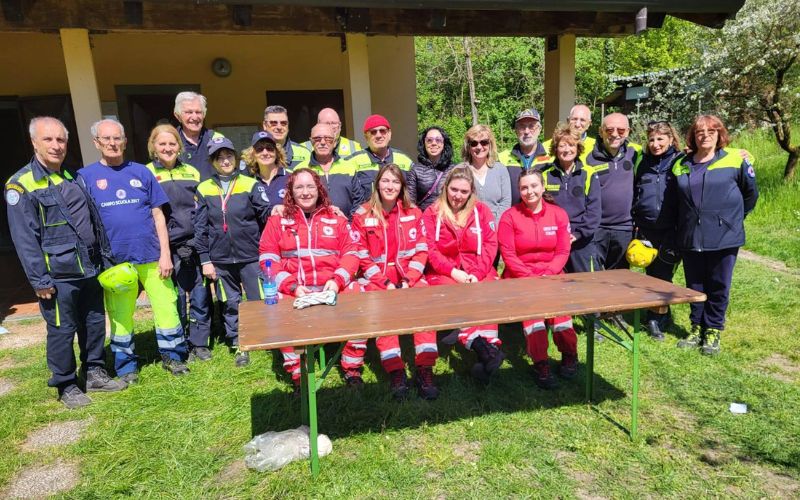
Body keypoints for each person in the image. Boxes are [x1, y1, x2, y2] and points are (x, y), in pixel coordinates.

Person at [5, 116, 125, 408]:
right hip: (58, 274)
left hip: (89, 266)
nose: (56, 146)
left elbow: (91, 220)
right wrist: (39, 279)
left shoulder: (72, 175)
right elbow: (24, 238)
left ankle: (95, 371)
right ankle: (66, 384)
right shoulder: (21, 185)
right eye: (48, 139)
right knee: (62, 329)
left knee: (94, 321)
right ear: (34, 142)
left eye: (61, 139)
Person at [79, 118, 189, 382]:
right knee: (120, 315)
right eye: (106, 139)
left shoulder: (142, 172)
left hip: (151, 255)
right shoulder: (85, 177)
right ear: (97, 143)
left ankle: (173, 357)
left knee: (166, 306)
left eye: (117, 138)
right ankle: (126, 366)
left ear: (125, 141)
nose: (113, 143)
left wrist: (165, 253)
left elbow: (158, 215)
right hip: (114, 262)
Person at [258, 168, 363, 391]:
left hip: (332, 287)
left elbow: (352, 253)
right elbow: (267, 257)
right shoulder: (278, 220)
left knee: (360, 296)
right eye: (299, 187)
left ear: (319, 189)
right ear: (291, 192)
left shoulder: (335, 217)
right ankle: (298, 374)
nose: (305, 192)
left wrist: (337, 281)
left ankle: (352, 368)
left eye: (310, 187)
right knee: (277, 303)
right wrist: (291, 286)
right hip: (296, 289)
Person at [668, 115, 758, 355]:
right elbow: (675, 201)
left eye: (711, 131)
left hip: (724, 236)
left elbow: (750, 195)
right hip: (690, 235)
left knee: (718, 284)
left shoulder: (735, 159)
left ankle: (713, 330)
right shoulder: (681, 163)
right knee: (694, 284)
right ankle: (696, 327)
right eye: (699, 131)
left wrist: (732, 219)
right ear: (693, 136)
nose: (705, 135)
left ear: (720, 134)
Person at [351, 164, 439, 400]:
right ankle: (396, 370)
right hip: (377, 280)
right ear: (377, 184)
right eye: (386, 181)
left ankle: (425, 368)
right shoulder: (362, 215)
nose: (390, 186)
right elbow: (361, 256)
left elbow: (422, 251)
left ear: (402, 186)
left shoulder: (414, 213)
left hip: (409, 277)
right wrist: (384, 283)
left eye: (395, 182)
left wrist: (410, 280)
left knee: (425, 303)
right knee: (383, 311)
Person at [194, 136, 271, 367]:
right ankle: (239, 343)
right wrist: (206, 260)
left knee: (258, 299)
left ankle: (264, 339)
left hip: (251, 256)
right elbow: (200, 227)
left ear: (236, 159)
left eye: (229, 156)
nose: (225, 161)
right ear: (213, 162)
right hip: (221, 260)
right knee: (231, 303)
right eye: (220, 157)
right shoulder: (204, 189)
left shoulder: (250, 184)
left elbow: (265, 218)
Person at [422, 167, 504, 382]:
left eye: (464, 192)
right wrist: (453, 272)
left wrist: (476, 273)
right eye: (454, 189)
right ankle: (484, 350)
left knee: (489, 291)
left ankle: (488, 352)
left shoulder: (482, 211)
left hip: (478, 268)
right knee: (452, 296)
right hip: (444, 270)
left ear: (471, 192)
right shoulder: (432, 213)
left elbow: (490, 245)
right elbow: (430, 250)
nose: (458, 196)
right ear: (445, 188)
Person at [498, 169, 577, 389]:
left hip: (551, 275)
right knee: (534, 317)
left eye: (534, 186)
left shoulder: (558, 214)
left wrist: (548, 274)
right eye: (524, 187)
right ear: (519, 190)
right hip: (521, 278)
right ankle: (540, 362)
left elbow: (563, 251)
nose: (529, 191)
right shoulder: (509, 217)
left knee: (561, 315)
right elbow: (509, 256)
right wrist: (530, 278)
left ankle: (570, 355)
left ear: (543, 187)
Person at [145, 124, 212, 361]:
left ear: (179, 146)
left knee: (199, 295)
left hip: (193, 242)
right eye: (162, 144)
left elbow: (201, 206)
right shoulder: (146, 173)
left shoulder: (192, 172)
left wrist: (199, 239)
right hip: (165, 247)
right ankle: (179, 340)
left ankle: (200, 343)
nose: (167, 148)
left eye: (172, 143)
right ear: (153, 147)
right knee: (174, 297)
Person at [632, 120, 684, 340]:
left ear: (671, 139)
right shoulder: (642, 163)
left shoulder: (681, 160)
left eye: (660, 139)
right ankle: (659, 313)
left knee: (663, 275)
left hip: (671, 229)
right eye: (651, 139)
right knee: (650, 274)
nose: (655, 144)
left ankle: (655, 319)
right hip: (646, 228)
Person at [539, 124, 602, 273]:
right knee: (553, 284)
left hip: (581, 242)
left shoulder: (589, 173)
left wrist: (577, 234)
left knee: (584, 286)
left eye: (571, 145)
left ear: (578, 147)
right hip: (553, 239)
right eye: (562, 145)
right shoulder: (544, 174)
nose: (567, 150)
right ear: (555, 149)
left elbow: (594, 211)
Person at [584, 112, 642, 271]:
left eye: (621, 130)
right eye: (609, 130)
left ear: (628, 132)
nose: (615, 134)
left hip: (624, 229)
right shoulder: (588, 159)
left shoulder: (636, 154)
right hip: (596, 229)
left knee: (620, 278)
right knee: (595, 278)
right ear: (601, 131)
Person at [294, 123, 362, 217]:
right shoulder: (300, 170)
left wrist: (349, 223)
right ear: (311, 141)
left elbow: (359, 202)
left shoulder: (349, 167)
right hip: (312, 228)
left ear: (334, 142)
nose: (322, 142)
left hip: (344, 227)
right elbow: (293, 203)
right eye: (317, 138)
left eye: (328, 138)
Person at [346, 114, 413, 201]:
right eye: (373, 132)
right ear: (366, 137)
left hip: (397, 213)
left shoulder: (405, 160)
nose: (378, 135)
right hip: (367, 213)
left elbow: (412, 193)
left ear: (389, 134)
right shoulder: (353, 162)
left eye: (382, 131)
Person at [456, 124, 511, 225]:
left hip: (496, 228)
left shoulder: (500, 169)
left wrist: (494, 226)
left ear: (490, 145)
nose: (479, 147)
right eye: (474, 143)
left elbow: (505, 202)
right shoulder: (460, 170)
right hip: (467, 228)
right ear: (468, 146)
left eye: (484, 142)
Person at [498, 108, 551, 205]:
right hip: (514, 216)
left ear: (539, 129)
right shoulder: (502, 158)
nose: (527, 131)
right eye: (522, 127)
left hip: (544, 216)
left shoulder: (551, 157)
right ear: (516, 131)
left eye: (531, 126)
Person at [174, 91, 225, 180]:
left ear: (204, 115)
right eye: (189, 112)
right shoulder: (171, 141)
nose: (194, 117)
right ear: (178, 116)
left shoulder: (216, 139)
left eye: (198, 112)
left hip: (212, 193)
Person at [407, 126, 456, 212]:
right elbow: (410, 203)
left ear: (444, 143)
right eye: (429, 140)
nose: (434, 143)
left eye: (438, 140)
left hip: (448, 220)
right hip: (425, 220)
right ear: (424, 144)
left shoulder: (454, 169)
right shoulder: (415, 170)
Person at [242, 130, 290, 210]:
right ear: (253, 154)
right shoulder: (249, 181)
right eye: (259, 149)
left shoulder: (291, 178)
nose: (265, 153)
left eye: (269, 148)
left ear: (277, 152)